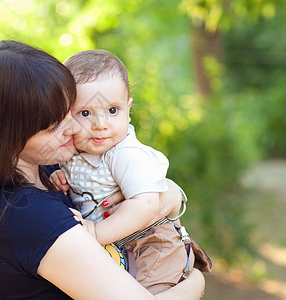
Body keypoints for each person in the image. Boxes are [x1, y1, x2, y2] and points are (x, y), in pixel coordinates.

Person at [0, 40, 205, 299]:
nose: (72, 128)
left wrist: (169, 193)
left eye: (68, 112)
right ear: (7, 136)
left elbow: (158, 195)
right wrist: (195, 281)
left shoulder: (49, 171)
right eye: (52, 126)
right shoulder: (29, 216)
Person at [50, 49, 210, 293]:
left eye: (112, 110)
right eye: (85, 113)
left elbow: (146, 205)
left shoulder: (125, 154)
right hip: (119, 245)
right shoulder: (74, 153)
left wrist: (95, 233)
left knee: (148, 292)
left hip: (151, 243)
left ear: (128, 107)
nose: (100, 124)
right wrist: (59, 177)